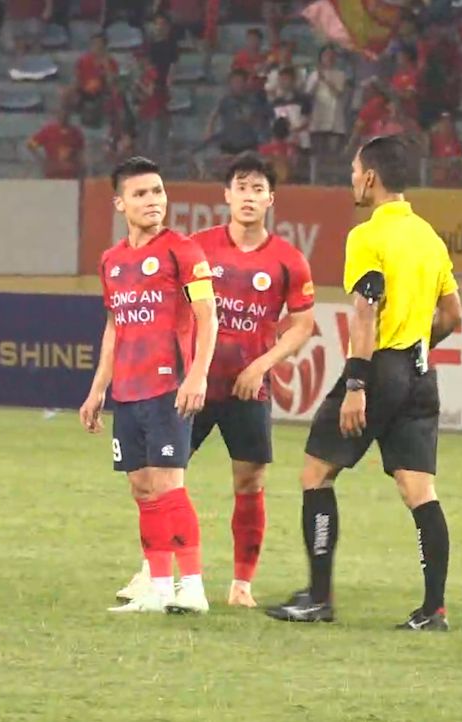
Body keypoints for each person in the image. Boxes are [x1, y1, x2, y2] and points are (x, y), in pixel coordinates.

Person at [265, 135, 462, 631]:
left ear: (370, 176)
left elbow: (365, 308)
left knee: (316, 474)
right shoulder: (430, 238)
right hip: (420, 373)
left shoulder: (368, 236)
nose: (352, 178)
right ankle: (433, 609)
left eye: (355, 171)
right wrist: (416, 344)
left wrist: (358, 385)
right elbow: (453, 315)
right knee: (420, 490)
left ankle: (319, 596)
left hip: (377, 372)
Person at [113, 152, 315, 610]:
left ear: (271, 199)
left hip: (246, 389)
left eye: (258, 189)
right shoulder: (196, 246)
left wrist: (262, 365)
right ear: (226, 196)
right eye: (241, 187)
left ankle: (241, 583)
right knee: (155, 479)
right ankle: (154, 573)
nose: (249, 196)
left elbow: (303, 324)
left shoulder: (288, 260)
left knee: (249, 481)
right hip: (191, 386)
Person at [78, 156, 217, 614]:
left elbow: (206, 316)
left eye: (157, 191)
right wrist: (98, 389)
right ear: (120, 203)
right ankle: (158, 588)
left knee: (169, 485)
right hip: (127, 391)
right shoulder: (112, 262)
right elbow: (115, 326)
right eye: (140, 194)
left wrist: (196, 373)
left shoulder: (183, 251)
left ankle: (192, 587)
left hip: (168, 385)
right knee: (140, 487)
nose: (152, 201)